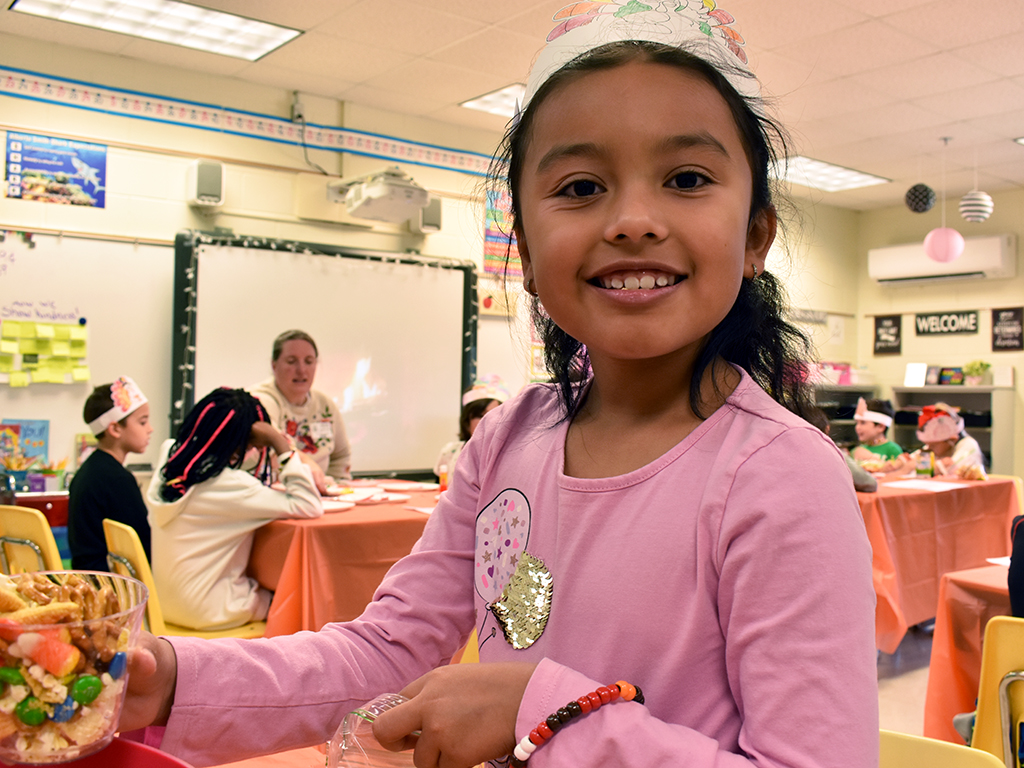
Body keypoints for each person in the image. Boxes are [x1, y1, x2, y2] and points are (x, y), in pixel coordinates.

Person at [121, 8, 878, 767]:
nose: (633, 220)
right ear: (522, 240)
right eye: (581, 186)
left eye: (686, 178)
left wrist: (545, 716)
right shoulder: (509, 439)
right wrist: (175, 680)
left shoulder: (781, 476)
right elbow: (387, 654)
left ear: (754, 237)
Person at [145, 388, 323, 630]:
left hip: (164, 607)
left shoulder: (170, 456)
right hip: (213, 610)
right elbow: (308, 504)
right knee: (303, 599)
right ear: (242, 444)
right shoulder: (233, 486)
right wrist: (279, 443)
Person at [250, 329, 352, 494]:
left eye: (309, 361)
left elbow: (341, 455)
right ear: (274, 365)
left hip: (320, 496)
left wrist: (336, 490)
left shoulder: (325, 405)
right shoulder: (260, 400)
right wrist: (306, 465)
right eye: (291, 361)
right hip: (274, 495)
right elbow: (272, 440)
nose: (301, 370)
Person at [68, 377, 153, 572]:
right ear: (114, 429)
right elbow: (143, 549)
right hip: (110, 588)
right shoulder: (117, 480)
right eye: (142, 422)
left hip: (88, 580)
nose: (150, 429)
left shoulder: (88, 470)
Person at [434, 376, 509, 479]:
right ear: (467, 421)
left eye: (495, 416)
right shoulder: (450, 452)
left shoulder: (508, 458)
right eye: (480, 416)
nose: (488, 422)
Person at [805, 407, 877, 493]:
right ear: (827, 429)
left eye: (863, 423)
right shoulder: (832, 453)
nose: (858, 428)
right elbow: (869, 483)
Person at [915, 402, 986, 479]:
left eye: (933, 445)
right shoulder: (933, 447)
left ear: (952, 439)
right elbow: (908, 465)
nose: (929, 449)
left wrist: (917, 466)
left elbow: (952, 470)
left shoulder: (969, 444)